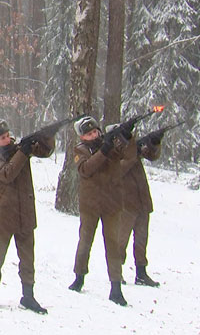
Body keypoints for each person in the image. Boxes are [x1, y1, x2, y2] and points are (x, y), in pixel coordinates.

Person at [0, 119, 53, 314]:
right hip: (5, 214)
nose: (7, 139)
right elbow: (7, 173)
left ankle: (28, 296)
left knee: (28, 257)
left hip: (25, 212)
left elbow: (45, 152)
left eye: (7, 135)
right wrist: (23, 152)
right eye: (2, 138)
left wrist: (47, 136)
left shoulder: (19, 148)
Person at [67, 116, 136, 306]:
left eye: (95, 131)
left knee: (113, 245)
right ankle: (79, 276)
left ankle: (115, 286)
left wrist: (127, 136)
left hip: (112, 203)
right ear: (82, 137)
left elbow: (128, 155)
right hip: (91, 205)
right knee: (85, 241)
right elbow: (86, 169)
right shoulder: (80, 150)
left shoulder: (110, 143)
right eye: (89, 134)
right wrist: (104, 150)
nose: (94, 135)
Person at [110, 123, 163, 287]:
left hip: (142, 201)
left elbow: (152, 155)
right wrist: (132, 153)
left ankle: (141, 273)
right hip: (126, 203)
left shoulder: (131, 150)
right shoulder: (112, 154)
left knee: (142, 239)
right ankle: (116, 272)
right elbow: (118, 171)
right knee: (121, 240)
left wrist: (154, 142)